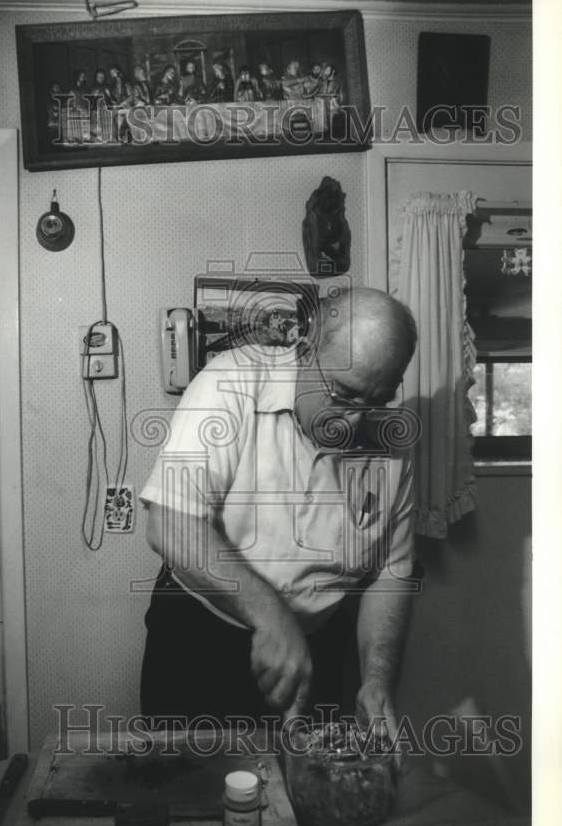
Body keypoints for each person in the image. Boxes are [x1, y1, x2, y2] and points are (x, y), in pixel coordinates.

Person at [139, 287, 419, 740]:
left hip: (317, 651)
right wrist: (272, 616)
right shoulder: (229, 382)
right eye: (344, 395)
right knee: (189, 798)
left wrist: (376, 680)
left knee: (304, 796)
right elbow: (169, 523)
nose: (353, 423)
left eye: (376, 401)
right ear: (304, 348)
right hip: (199, 640)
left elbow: (392, 570)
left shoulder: (391, 442)